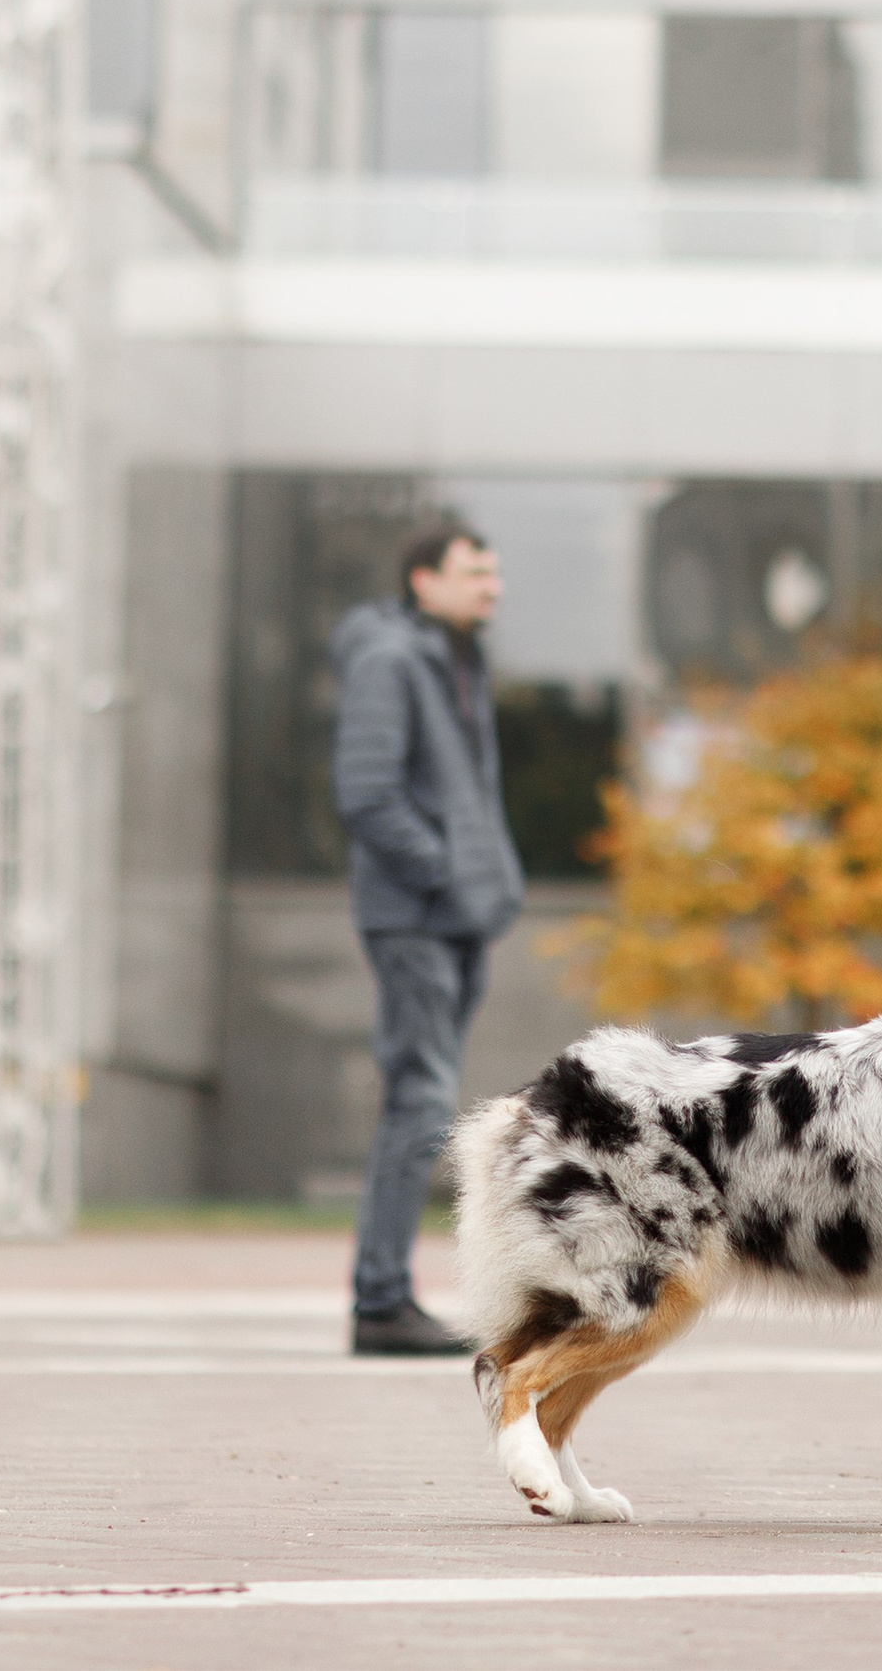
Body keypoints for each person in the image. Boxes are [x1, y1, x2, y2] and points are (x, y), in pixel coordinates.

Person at [330, 517, 525, 1357]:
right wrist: (445, 871)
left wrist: (487, 884)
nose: (492, 587)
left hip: (456, 916)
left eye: (493, 572)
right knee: (419, 1099)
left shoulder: (456, 659)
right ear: (424, 580)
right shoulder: (391, 659)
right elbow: (367, 793)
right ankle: (380, 1302)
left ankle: (384, 1296)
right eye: (474, 572)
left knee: (424, 1099)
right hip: (414, 916)